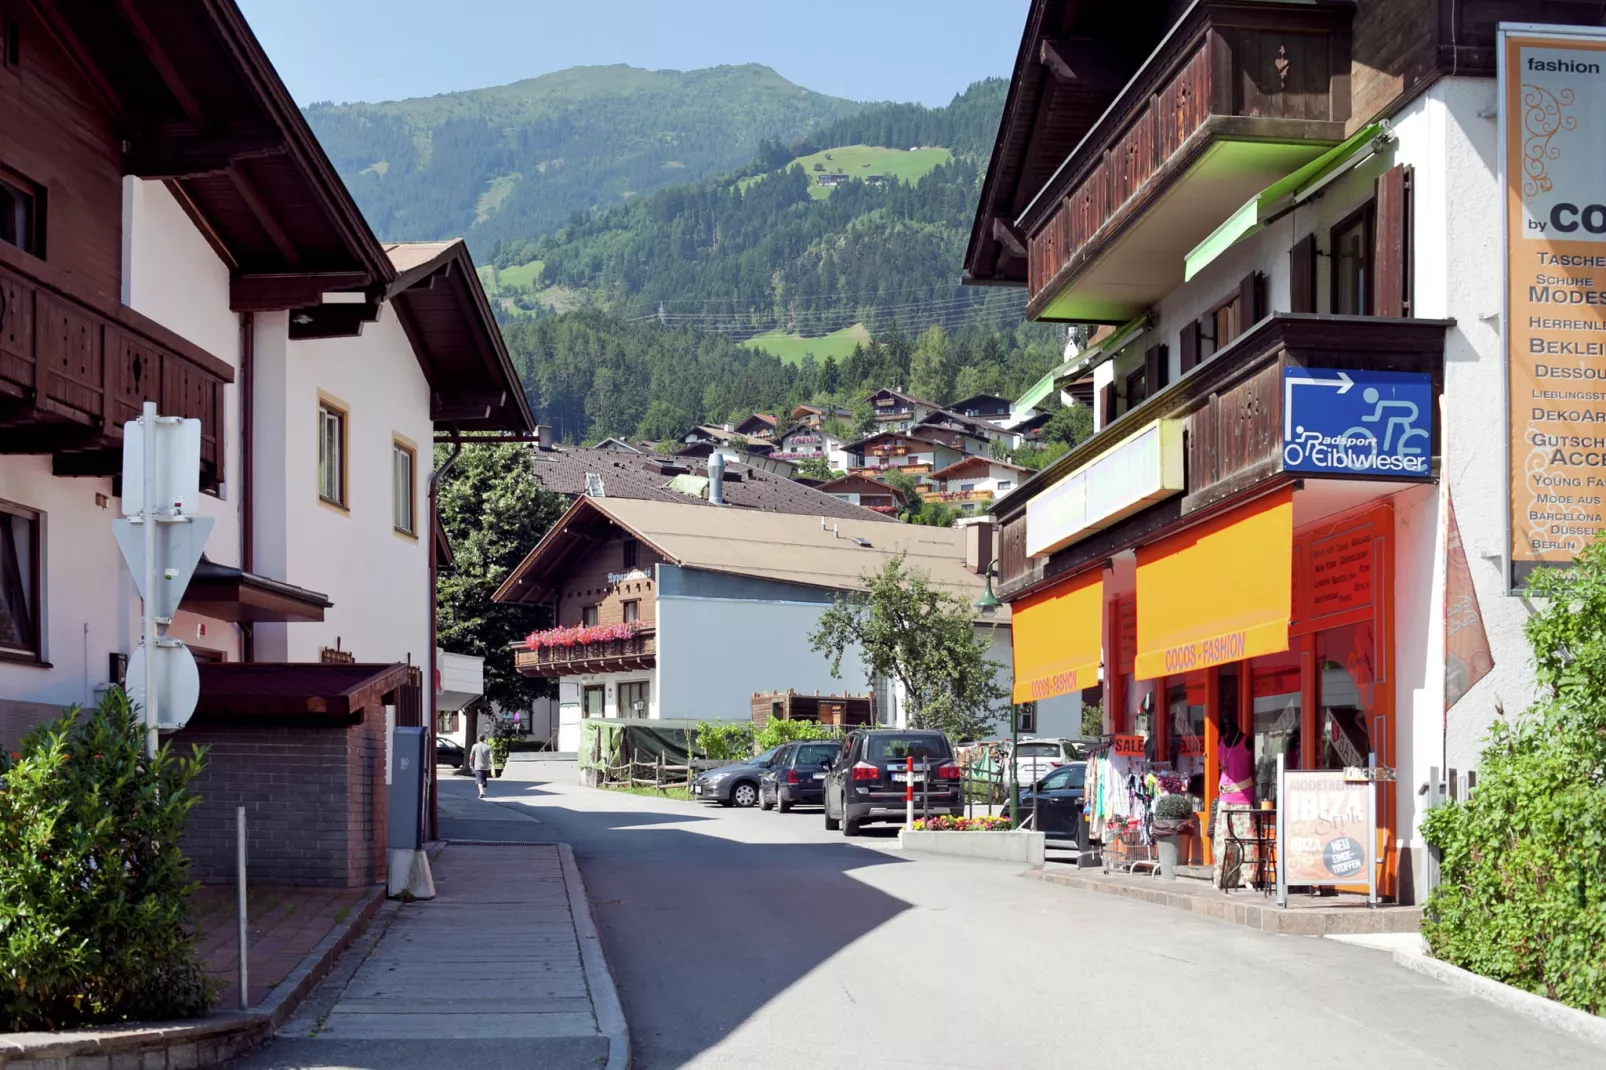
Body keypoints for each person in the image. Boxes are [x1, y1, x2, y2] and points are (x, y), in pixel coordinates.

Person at [470, 734, 493, 799]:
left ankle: (481, 792)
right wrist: (493, 764)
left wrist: (470, 764)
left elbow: (471, 756)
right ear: (484, 739)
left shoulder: (475, 746)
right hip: (486, 766)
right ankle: (484, 793)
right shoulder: (488, 747)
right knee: (484, 779)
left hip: (478, 766)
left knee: (479, 780)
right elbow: (491, 756)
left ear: (478, 739)